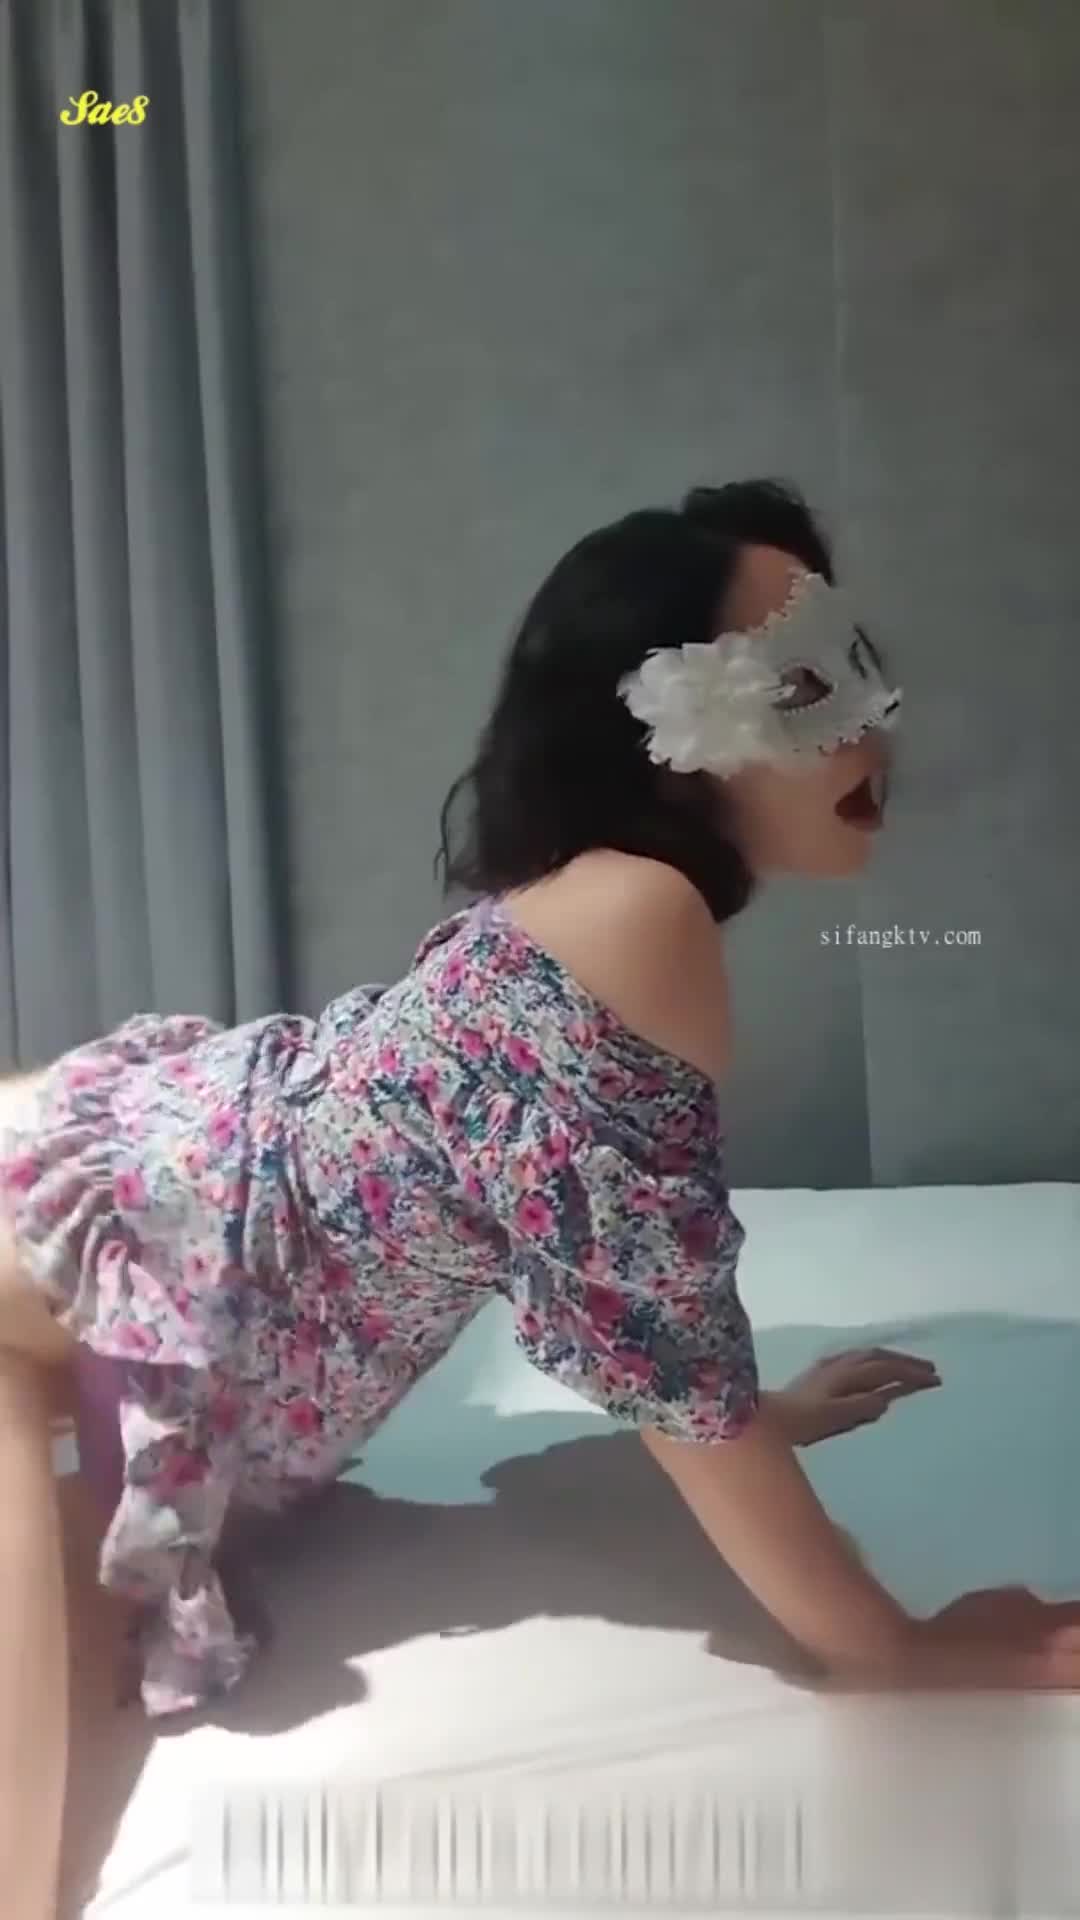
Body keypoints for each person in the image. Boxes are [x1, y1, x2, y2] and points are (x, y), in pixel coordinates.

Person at [2, 480, 1078, 1919]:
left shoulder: (610, 909)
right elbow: (652, 1334)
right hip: (89, 1239)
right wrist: (887, 1648)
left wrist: (752, 1422)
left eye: (864, 670)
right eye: (805, 686)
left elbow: (619, 1292)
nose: (874, 724)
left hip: (136, 1209)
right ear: (662, 729)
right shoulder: (633, 912)